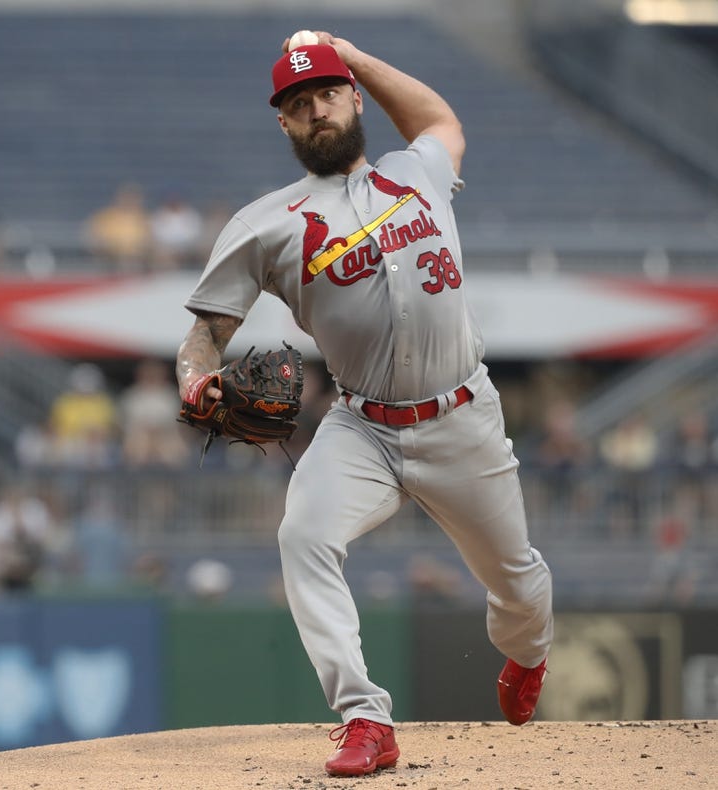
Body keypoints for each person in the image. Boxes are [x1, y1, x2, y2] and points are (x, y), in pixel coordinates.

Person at [174, 35, 553, 777]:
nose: (315, 109)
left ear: (352, 97)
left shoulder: (418, 174)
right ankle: (364, 717)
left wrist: (355, 55)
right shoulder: (265, 223)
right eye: (297, 104)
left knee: (519, 586)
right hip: (362, 427)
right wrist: (196, 380)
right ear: (283, 124)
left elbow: (443, 121)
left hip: (462, 417)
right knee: (303, 535)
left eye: (326, 92)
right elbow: (204, 334)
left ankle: (529, 654)